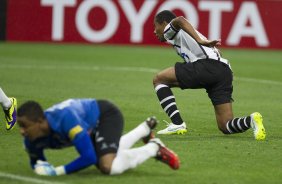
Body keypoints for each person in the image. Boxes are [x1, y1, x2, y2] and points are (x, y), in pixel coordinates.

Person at [152, 10, 266, 140]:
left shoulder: (170, 30)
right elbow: (219, 54)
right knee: (225, 125)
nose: (155, 31)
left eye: (155, 26)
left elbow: (180, 20)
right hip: (224, 71)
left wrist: (200, 40)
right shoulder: (183, 35)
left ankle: (177, 123)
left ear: (164, 23)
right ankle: (251, 120)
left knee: (159, 80)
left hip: (207, 66)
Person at [17, 98, 179, 176]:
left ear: (39, 122)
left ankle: (153, 148)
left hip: (104, 116)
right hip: (88, 126)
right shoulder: (30, 140)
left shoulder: (66, 121)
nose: (22, 132)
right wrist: (40, 166)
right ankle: (143, 129)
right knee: (104, 157)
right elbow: (37, 163)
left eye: (25, 126)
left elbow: (88, 157)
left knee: (108, 167)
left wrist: (57, 172)